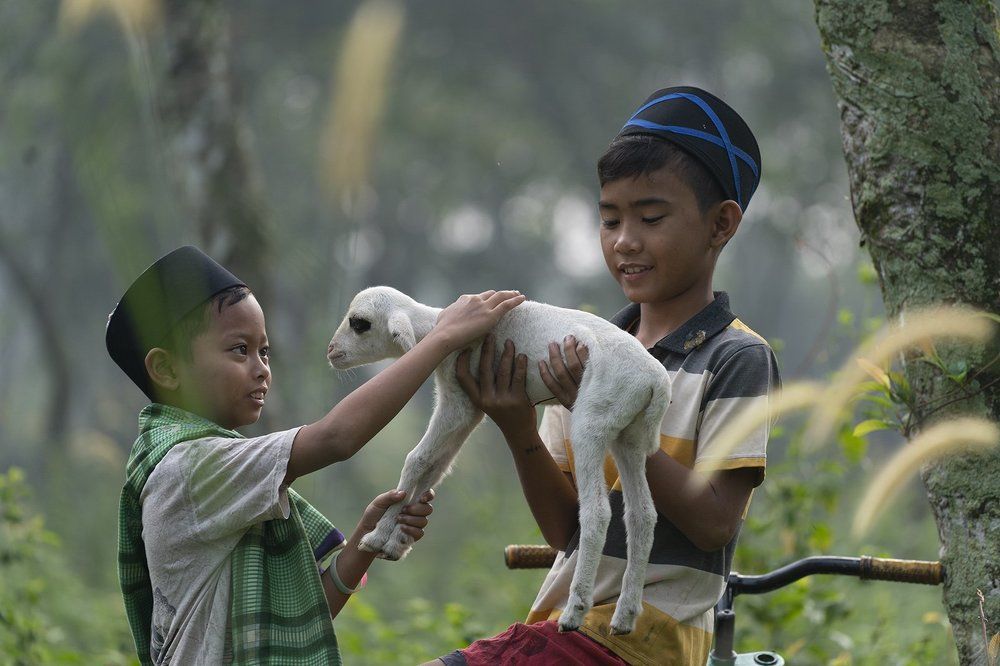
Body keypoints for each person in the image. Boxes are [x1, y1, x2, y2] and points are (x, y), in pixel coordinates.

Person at [432, 86, 780, 666]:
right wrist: (516, 424)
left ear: (720, 225)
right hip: (567, 626)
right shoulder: (582, 349)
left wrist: (618, 423)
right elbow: (566, 526)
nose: (625, 241)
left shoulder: (736, 357)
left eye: (651, 217)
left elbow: (715, 522)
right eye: (610, 219)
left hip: (646, 639)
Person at [106, 245, 525, 665]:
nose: (261, 368)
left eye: (264, 351)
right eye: (239, 350)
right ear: (167, 370)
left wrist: (364, 539)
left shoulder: (223, 471)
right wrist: (442, 338)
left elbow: (307, 614)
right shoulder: (188, 468)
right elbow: (336, 438)